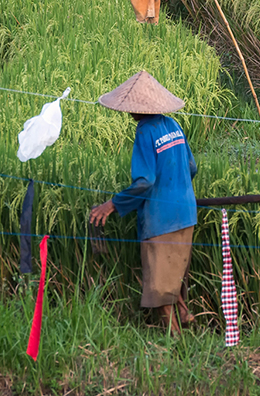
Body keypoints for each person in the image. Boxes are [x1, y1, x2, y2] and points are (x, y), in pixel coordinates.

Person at [89, 71, 198, 333]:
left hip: (161, 219)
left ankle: (176, 346)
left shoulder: (145, 132)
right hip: (186, 213)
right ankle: (185, 317)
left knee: (160, 288)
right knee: (173, 278)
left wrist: (112, 204)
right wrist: (176, 184)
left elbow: (145, 181)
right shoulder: (173, 125)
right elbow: (192, 167)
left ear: (135, 109)